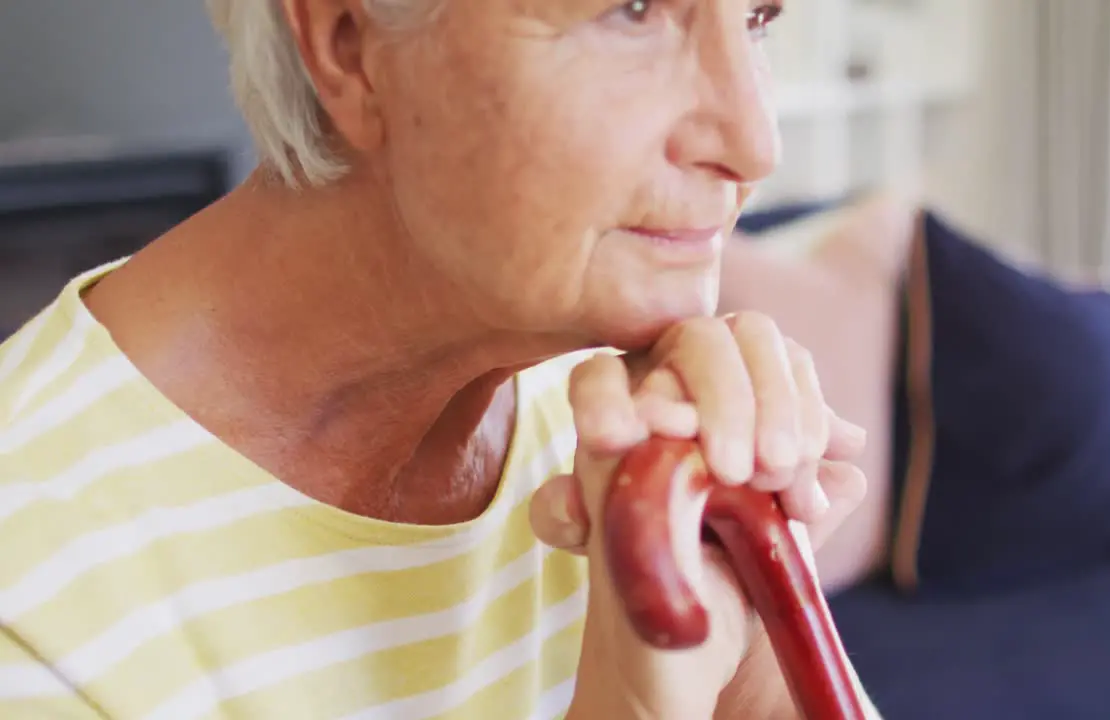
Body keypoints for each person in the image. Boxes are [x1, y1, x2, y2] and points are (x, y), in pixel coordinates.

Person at [0, 0, 883, 717]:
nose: (753, 143)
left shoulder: (614, 408)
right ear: (349, 46)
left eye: (759, 18)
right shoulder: (33, 608)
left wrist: (766, 644)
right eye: (632, 12)